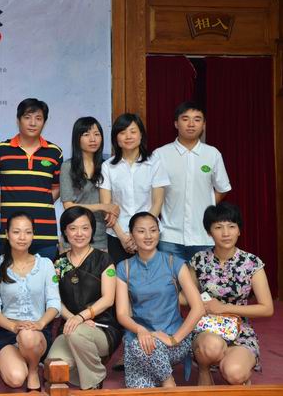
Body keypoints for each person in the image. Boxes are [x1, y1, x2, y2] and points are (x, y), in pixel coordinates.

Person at [115, 212, 204, 388]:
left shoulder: (174, 263)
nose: (148, 236)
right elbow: (122, 314)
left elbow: (199, 308)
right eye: (141, 231)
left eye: (153, 230)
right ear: (132, 234)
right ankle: (163, 378)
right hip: (139, 339)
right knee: (140, 386)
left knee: (139, 347)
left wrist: (174, 339)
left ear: (159, 232)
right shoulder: (124, 267)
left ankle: (168, 383)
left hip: (172, 339)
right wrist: (141, 330)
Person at [190, 202, 274, 386]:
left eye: (231, 226)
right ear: (209, 232)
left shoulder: (251, 263)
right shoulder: (199, 260)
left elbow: (267, 308)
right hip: (207, 328)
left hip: (240, 329)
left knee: (235, 373)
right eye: (218, 227)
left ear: (239, 231)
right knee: (211, 348)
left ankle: (232, 364)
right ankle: (204, 368)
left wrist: (224, 308)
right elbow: (186, 297)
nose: (226, 233)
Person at [47, 206, 122, 390]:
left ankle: (94, 381)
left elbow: (108, 299)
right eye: (73, 228)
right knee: (54, 367)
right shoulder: (59, 263)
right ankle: (87, 363)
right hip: (71, 326)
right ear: (65, 231)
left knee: (76, 333)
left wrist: (82, 317)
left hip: (102, 327)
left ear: (92, 230)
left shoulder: (104, 259)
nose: (79, 233)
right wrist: (74, 319)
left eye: (85, 228)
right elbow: (56, 300)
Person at [0, 212, 61, 391]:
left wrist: (40, 323)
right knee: (15, 379)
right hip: (8, 331)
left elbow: (54, 303)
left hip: (37, 332)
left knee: (27, 336)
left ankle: (33, 369)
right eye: (16, 232)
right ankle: (23, 360)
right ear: (7, 234)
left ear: (33, 235)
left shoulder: (45, 264)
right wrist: (13, 326)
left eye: (27, 232)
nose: (22, 237)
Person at [154, 102, 231, 261]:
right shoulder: (160, 155)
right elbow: (153, 193)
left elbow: (222, 188)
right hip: (170, 236)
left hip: (203, 235)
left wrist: (207, 205)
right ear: (176, 123)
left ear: (203, 125)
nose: (191, 124)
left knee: (204, 278)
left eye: (197, 119)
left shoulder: (212, 154)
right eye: (185, 119)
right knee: (171, 277)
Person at [0, 99, 63, 260]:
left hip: (45, 234)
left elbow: (57, 187)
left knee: (45, 275)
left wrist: (42, 202)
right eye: (27, 117)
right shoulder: (0, 150)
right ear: (18, 120)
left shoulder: (55, 152)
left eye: (38, 118)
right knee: (8, 275)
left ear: (44, 122)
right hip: (11, 234)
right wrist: (6, 210)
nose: (33, 123)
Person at [99, 113, 170, 265]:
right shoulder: (108, 166)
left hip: (149, 236)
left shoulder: (155, 163)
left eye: (133, 131)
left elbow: (157, 202)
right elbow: (106, 206)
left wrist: (142, 232)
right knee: (120, 276)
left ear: (141, 135)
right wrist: (123, 237)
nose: (128, 136)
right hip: (117, 235)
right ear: (116, 138)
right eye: (122, 132)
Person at [59, 117, 119, 252]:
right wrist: (102, 206)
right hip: (74, 236)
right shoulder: (68, 167)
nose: (93, 139)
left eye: (97, 134)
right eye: (86, 134)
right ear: (77, 139)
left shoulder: (107, 166)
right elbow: (68, 206)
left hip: (101, 235)